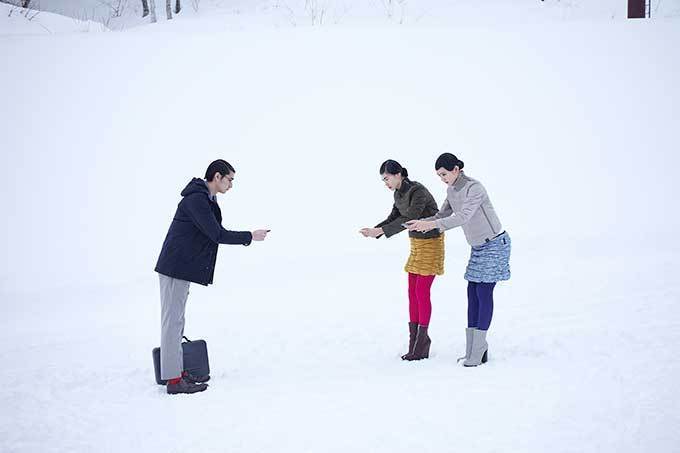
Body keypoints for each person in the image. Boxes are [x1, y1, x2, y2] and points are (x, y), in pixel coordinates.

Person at [155, 159, 270, 394]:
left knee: (177, 321)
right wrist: (250, 235)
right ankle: (174, 381)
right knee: (172, 322)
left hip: (181, 268)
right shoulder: (196, 200)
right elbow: (216, 234)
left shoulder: (206, 199)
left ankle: (174, 371)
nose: (231, 185)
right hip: (175, 268)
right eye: (230, 179)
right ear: (217, 177)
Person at [406, 153, 511, 367]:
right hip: (478, 247)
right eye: (439, 175)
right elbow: (441, 215)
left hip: (494, 244)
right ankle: (473, 350)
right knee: (472, 293)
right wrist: (420, 222)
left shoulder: (475, 188)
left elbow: (463, 216)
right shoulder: (451, 190)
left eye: (444, 174)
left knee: (483, 292)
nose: (442, 178)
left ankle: (479, 348)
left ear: (456, 169)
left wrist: (432, 226)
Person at [360, 159, 444, 361]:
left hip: (431, 243)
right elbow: (393, 218)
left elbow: (409, 219)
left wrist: (380, 231)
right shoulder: (398, 194)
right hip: (416, 244)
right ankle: (414, 343)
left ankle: (422, 344)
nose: (386, 183)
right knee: (412, 292)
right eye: (383, 180)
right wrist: (375, 231)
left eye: (387, 178)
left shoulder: (417, 191)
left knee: (422, 292)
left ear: (398, 174)